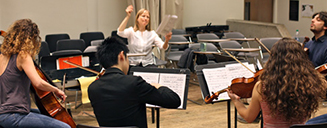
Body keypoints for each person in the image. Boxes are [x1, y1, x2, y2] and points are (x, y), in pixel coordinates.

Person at [227, 38, 327, 127]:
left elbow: (249, 118)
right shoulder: (310, 83)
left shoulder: (262, 86)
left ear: (273, 59)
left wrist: (236, 101)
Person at [88, 37, 181, 128]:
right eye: (127, 57)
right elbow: (174, 100)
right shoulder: (134, 83)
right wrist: (159, 86)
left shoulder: (93, 88)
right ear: (121, 56)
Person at [0, 19, 70, 128]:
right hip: (15, 115)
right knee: (64, 127)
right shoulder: (23, 55)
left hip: (3, 114)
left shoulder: (2, 56)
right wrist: (56, 89)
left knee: (44, 114)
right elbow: (38, 83)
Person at [305, 11, 327, 125]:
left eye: (318, 20)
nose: (313, 20)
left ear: (325, 26)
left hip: (321, 88)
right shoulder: (309, 44)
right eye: (313, 19)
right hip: (308, 83)